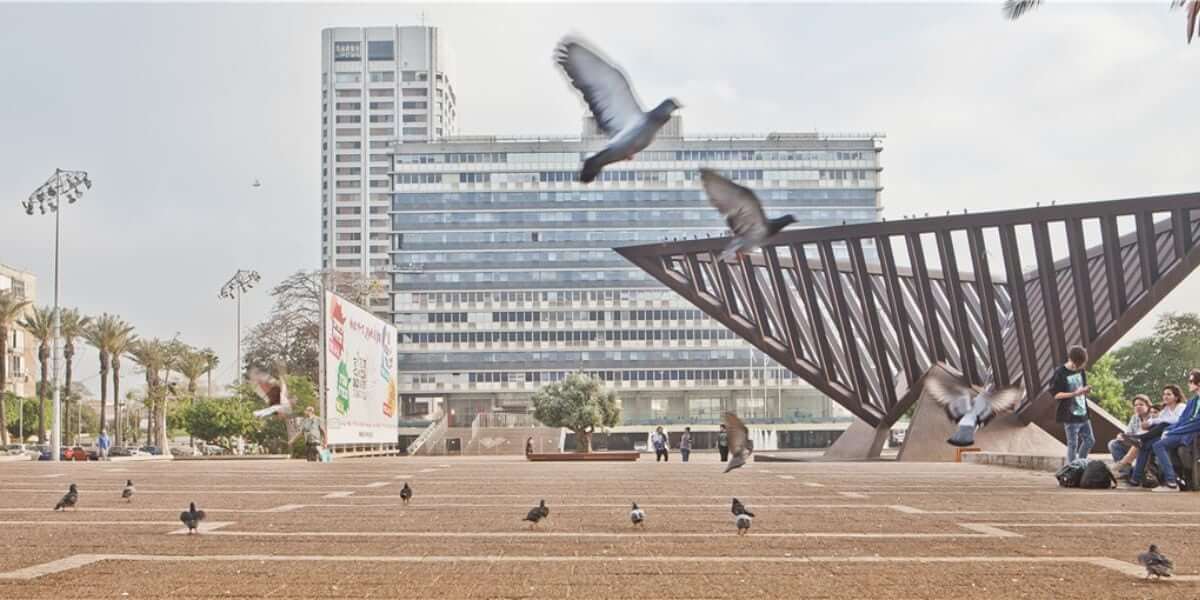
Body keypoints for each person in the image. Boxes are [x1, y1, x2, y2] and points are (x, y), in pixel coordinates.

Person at [1131, 372, 1200, 491]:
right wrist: (1168, 430)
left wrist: (1172, 432)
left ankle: (1171, 483)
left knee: (1158, 445)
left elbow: (1196, 423)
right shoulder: (1192, 401)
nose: (1188, 384)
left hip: (1191, 434)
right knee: (1147, 445)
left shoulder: (1183, 405)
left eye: (1190, 381)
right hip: (1182, 432)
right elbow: (1181, 421)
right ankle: (1135, 479)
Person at [1051, 346, 1094, 464]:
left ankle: (1080, 464)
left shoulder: (1081, 370)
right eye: (1076, 365)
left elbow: (1081, 388)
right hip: (1070, 415)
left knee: (1090, 440)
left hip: (1083, 412)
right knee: (1073, 444)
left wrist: (1085, 390)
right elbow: (1056, 395)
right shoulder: (1060, 372)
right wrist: (1074, 393)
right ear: (1070, 359)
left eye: (1080, 365)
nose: (1078, 367)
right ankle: (1072, 469)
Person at [1108, 395, 1151, 475]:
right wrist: (1121, 436)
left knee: (1139, 444)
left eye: (1141, 404)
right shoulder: (1134, 417)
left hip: (1145, 444)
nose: (1138, 407)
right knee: (1113, 444)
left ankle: (1123, 465)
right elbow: (1128, 433)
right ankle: (1125, 472)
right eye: (1136, 405)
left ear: (1148, 406)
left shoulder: (1153, 417)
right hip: (1134, 443)